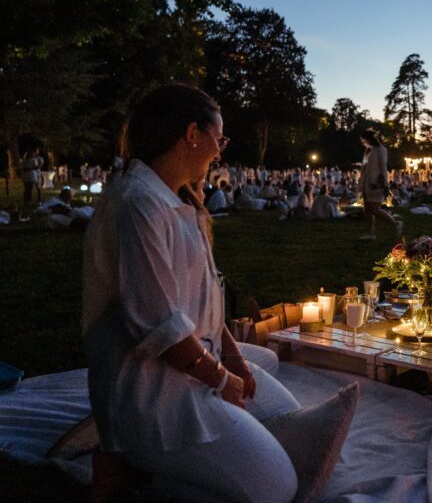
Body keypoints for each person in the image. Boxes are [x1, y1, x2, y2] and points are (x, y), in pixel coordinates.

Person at [82, 85, 299, 503]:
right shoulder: (138, 205)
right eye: (220, 138)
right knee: (277, 488)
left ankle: (160, 472)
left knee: (279, 401)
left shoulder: (179, 200)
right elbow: (158, 326)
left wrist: (232, 355)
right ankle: (134, 468)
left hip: (196, 359)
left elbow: (204, 296)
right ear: (192, 134)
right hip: (153, 391)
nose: (220, 151)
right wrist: (221, 379)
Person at [359, 129, 403, 240]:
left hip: (376, 183)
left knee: (374, 209)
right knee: (367, 209)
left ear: (369, 139)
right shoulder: (368, 151)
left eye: (363, 140)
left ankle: (395, 223)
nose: (362, 142)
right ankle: (370, 232)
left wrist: (385, 184)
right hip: (366, 182)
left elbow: (383, 168)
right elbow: (365, 168)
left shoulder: (381, 150)